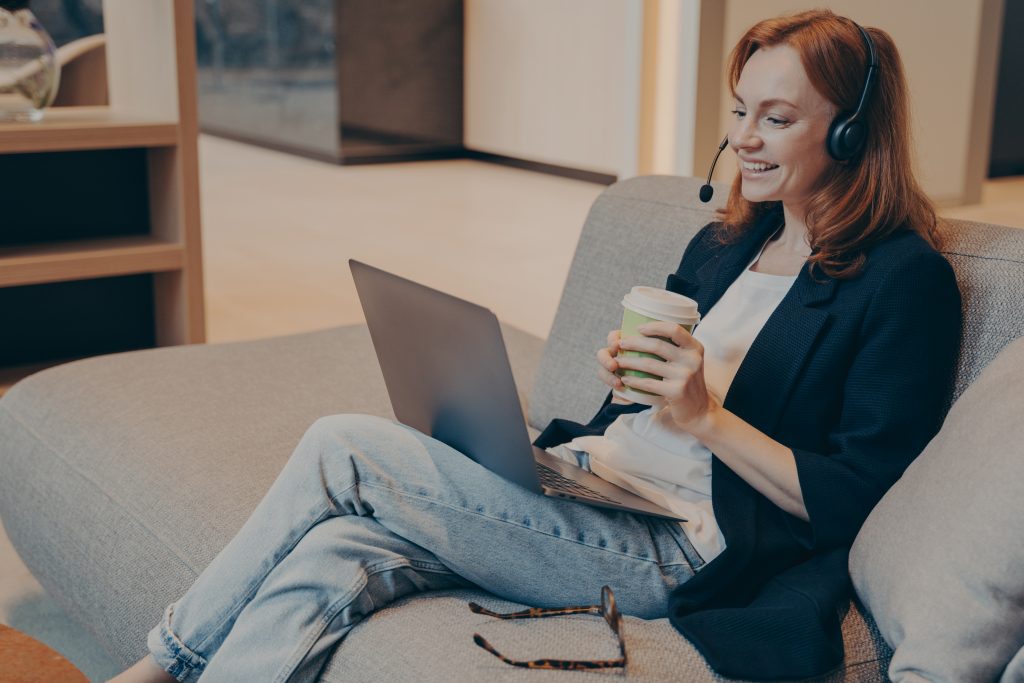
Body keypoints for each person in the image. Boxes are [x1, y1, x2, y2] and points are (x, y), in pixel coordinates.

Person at [112, 9, 960, 682]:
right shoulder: (725, 243)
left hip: (677, 551)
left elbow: (863, 498)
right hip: (598, 485)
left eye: (777, 118)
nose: (743, 138)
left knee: (346, 447)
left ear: (850, 134)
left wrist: (705, 418)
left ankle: (163, 662)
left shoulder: (901, 280)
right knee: (341, 545)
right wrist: (624, 392)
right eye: (740, 111)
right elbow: (649, 404)